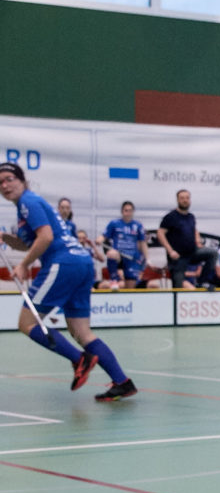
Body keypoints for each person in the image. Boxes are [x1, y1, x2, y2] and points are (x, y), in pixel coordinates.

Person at [0, 162, 136, 400]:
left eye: (10, 179)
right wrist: (5, 238)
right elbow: (31, 242)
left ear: (23, 181)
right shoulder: (26, 207)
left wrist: (23, 265)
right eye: (0, 182)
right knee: (81, 332)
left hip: (63, 263)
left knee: (27, 322)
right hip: (81, 264)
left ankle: (79, 359)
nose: (5, 185)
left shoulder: (28, 202)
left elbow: (46, 237)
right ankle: (122, 382)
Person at [157, 189, 217, 289]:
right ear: (177, 200)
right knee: (178, 287)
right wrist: (170, 251)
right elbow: (160, 233)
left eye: (187, 198)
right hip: (178, 257)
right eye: (182, 198)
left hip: (192, 253)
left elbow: (194, 230)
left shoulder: (191, 216)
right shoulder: (170, 217)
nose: (185, 200)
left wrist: (198, 240)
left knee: (213, 254)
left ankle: (201, 282)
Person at [99, 201, 150, 290]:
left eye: (130, 211)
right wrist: (99, 240)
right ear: (122, 211)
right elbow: (104, 236)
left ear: (133, 212)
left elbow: (143, 243)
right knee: (111, 253)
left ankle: (128, 302)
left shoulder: (138, 225)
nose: (128, 213)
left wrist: (147, 258)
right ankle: (114, 279)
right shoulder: (114, 223)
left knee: (130, 287)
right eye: (126, 210)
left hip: (132, 257)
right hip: (119, 255)